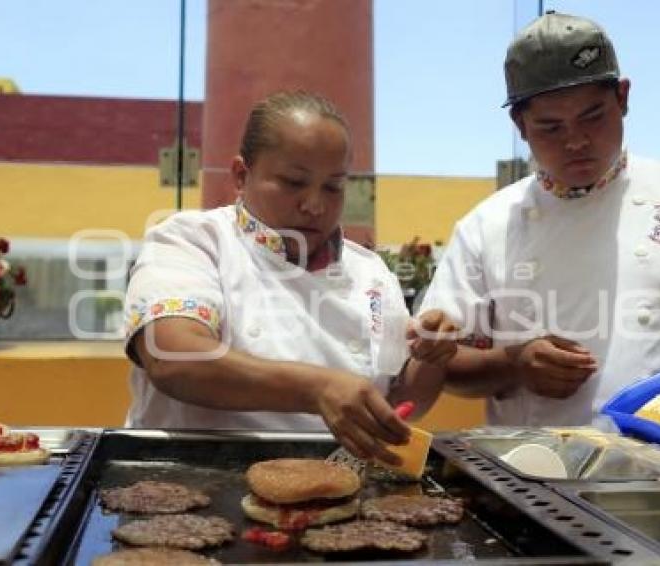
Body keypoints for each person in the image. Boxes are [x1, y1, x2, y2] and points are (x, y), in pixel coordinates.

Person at [420, 12, 660, 426]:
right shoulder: (486, 227)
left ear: (623, 98)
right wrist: (514, 364)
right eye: (551, 128)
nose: (575, 141)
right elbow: (448, 364)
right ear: (519, 124)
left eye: (593, 117)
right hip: (532, 476)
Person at [124, 90, 458, 464]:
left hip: (332, 491)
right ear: (240, 176)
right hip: (192, 480)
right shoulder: (192, 241)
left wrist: (433, 356)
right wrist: (317, 388)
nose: (314, 205)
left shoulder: (371, 272)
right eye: (293, 182)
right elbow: (173, 360)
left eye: (333, 186)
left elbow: (392, 404)